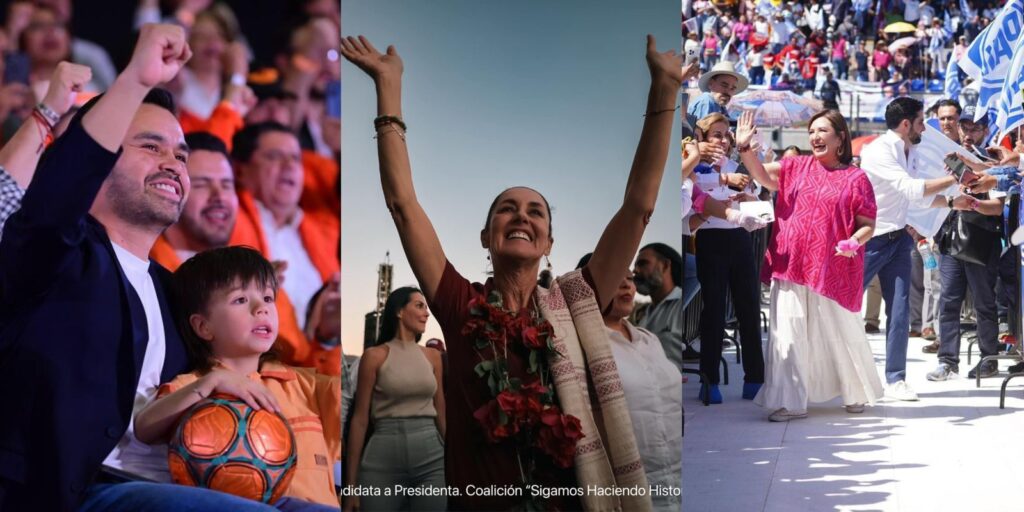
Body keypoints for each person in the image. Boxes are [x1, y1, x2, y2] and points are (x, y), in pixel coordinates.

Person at [341, 33, 679, 511]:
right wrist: (388, 89)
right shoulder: (459, 303)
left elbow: (638, 208)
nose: (522, 216)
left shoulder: (577, 300)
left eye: (536, 211)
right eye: (507, 209)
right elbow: (403, 205)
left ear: (549, 242)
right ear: (486, 236)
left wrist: (664, 91)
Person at [0, 23, 283, 512]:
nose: (174, 163)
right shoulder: (52, 254)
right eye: (150, 147)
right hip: (70, 492)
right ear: (102, 158)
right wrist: (135, 79)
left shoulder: (177, 293)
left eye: (180, 154)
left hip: (180, 483)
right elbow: (59, 192)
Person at [134, 246, 341, 511]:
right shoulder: (197, 384)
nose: (261, 309)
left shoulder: (307, 387)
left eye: (267, 297)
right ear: (203, 326)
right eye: (240, 300)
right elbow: (145, 427)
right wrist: (211, 383)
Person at [149, 131, 340, 375]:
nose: (219, 197)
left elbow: (299, 372)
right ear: (174, 187)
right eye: (202, 184)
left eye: (226, 185)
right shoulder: (151, 275)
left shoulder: (253, 277)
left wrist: (325, 339)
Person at [736, 109, 884, 421]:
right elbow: (761, 176)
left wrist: (854, 242)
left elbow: (867, 223)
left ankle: (855, 391)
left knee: (840, 333)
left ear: (840, 137)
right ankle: (790, 402)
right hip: (791, 264)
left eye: (822, 131)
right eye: (812, 131)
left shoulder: (856, 178)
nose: (815, 137)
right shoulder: (795, 166)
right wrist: (744, 148)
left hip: (834, 269)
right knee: (788, 334)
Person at [858, 97, 973, 401]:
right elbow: (910, 188)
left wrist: (951, 201)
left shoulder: (912, 149)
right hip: (871, 238)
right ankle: (840, 372)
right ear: (907, 124)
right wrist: (957, 177)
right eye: (922, 121)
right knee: (844, 306)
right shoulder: (878, 150)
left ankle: (895, 379)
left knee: (899, 313)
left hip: (899, 239)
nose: (926, 127)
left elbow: (917, 199)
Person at [578, 253, 682, 512]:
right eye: (615, 277)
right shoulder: (583, 347)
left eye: (629, 278)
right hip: (632, 491)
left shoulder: (649, 339)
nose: (627, 285)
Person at [344, 287, 446, 512]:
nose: (427, 313)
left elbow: (441, 412)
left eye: (426, 307)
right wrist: (351, 487)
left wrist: (453, 463)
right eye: (419, 305)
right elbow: (360, 420)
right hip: (381, 462)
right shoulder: (374, 356)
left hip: (432, 461)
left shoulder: (434, 357)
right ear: (399, 312)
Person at [690, 112, 766, 404]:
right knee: (714, 312)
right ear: (703, 138)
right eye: (716, 134)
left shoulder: (736, 165)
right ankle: (708, 380)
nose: (722, 140)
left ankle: (755, 379)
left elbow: (755, 195)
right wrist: (724, 182)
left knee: (748, 308)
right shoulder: (693, 166)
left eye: (726, 134)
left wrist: (749, 199)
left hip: (740, 238)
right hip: (711, 240)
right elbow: (697, 190)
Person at [926, 107, 1004, 381]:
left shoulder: (994, 162)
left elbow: (998, 207)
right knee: (948, 300)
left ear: (985, 131)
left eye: (975, 128)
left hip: (982, 240)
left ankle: (988, 358)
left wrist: (971, 201)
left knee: (984, 301)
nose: (969, 134)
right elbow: (932, 197)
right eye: (965, 127)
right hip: (950, 239)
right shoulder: (947, 161)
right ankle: (947, 360)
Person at [633, 243, 685, 370]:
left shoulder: (681, 305)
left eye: (643, 263)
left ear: (666, 265)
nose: (635, 271)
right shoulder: (642, 314)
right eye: (635, 266)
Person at [687, 61, 749, 128]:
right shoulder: (706, 102)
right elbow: (702, 133)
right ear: (711, 83)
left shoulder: (719, 105)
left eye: (732, 88)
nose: (728, 91)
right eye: (724, 85)